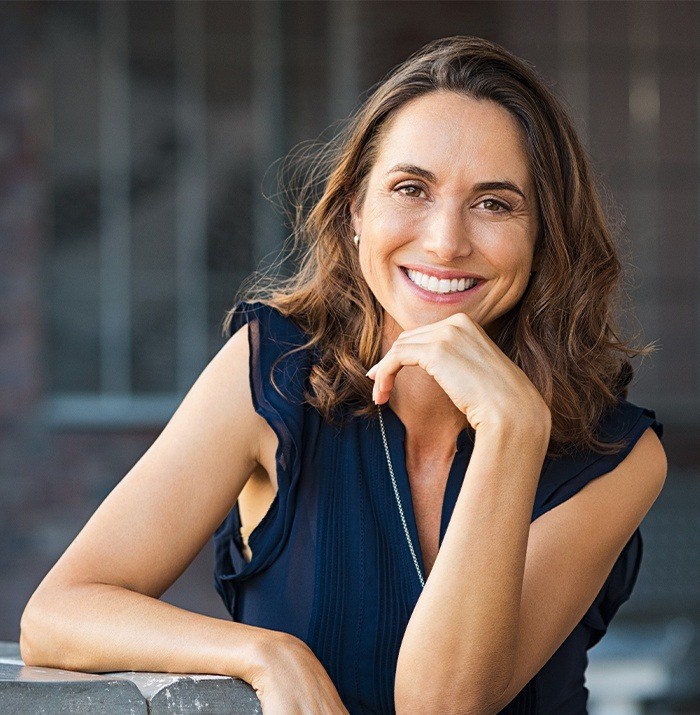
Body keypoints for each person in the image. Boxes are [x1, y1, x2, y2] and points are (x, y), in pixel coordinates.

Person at [20, 35, 666, 715]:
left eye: (494, 203)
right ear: (357, 211)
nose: (446, 241)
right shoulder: (270, 369)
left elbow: (441, 704)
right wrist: (266, 652)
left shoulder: (617, 455)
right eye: (410, 189)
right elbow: (57, 613)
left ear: (545, 236)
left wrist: (512, 428)